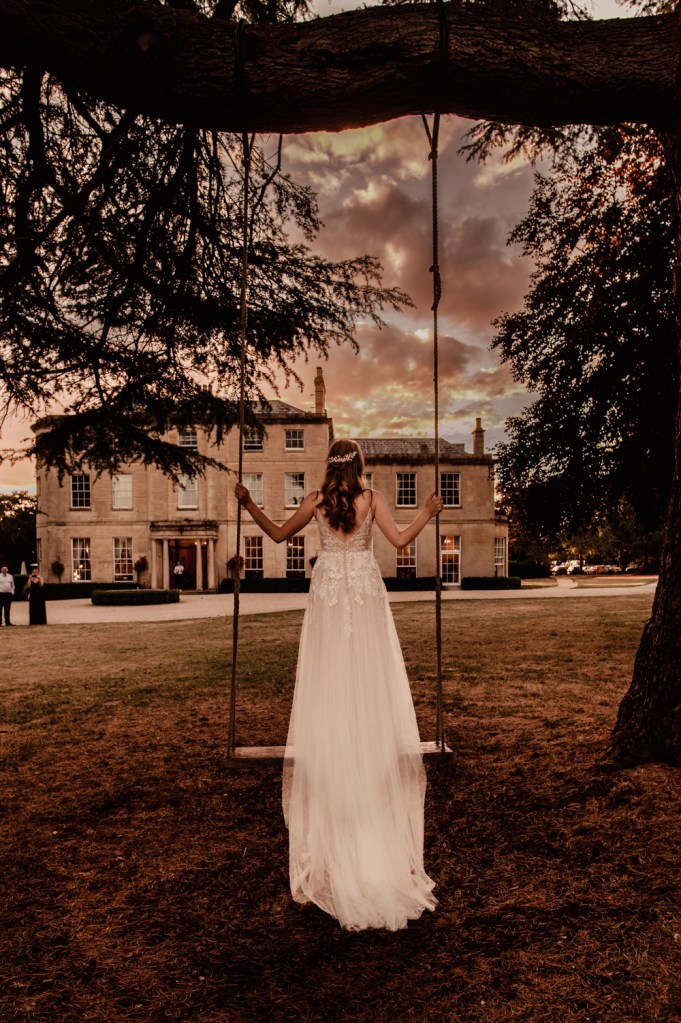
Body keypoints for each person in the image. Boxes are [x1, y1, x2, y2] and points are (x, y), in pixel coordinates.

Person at [235, 439, 443, 931]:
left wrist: (249, 505)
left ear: (329, 466)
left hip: (330, 603)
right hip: (364, 599)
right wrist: (429, 512)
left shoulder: (315, 501)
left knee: (331, 683)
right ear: (361, 465)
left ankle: (341, 798)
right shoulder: (372, 500)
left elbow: (280, 535)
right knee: (366, 683)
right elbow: (399, 542)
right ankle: (364, 785)